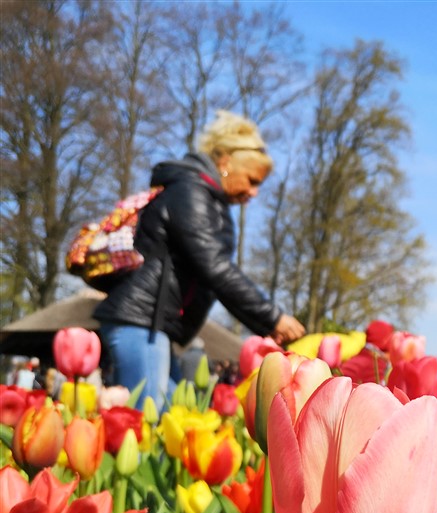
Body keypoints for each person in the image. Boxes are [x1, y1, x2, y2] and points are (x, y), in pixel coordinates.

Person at [94, 110, 305, 406]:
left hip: (152, 324)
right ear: (225, 163)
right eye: (252, 180)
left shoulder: (204, 197)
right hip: (141, 321)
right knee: (149, 416)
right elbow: (214, 266)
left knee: (174, 412)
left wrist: (266, 324)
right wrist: (273, 317)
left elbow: (212, 272)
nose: (254, 192)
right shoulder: (191, 192)